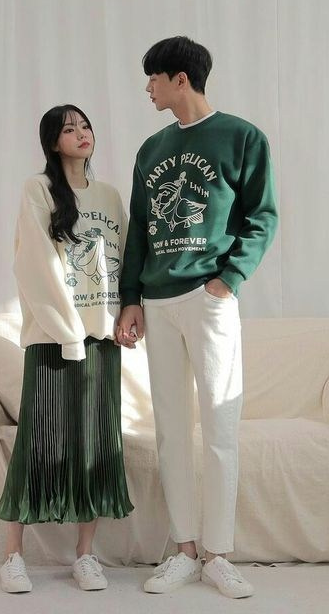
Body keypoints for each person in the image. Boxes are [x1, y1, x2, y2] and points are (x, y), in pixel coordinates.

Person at [117, 36, 278, 599]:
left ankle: (219, 554)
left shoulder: (241, 136)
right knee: (170, 430)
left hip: (209, 300)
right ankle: (185, 550)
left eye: (154, 78)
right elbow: (140, 229)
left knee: (220, 427)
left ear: (179, 79)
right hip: (158, 303)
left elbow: (262, 216)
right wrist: (131, 298)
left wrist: (227, 281)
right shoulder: (151, 149)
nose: (148, 88)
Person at [0, 104, 134, 593]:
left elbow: (125, 260)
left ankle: (85, 555)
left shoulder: (110, 196)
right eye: (69, 128)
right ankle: (12, 556)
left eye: (86, 125)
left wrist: (127, 314)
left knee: (94, 443)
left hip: (101, 342)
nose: (81, 133)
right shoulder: (38, 190)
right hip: (53, 339)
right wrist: (69, 331)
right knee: (38, 443)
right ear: (53, 141)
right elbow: (34, 264)